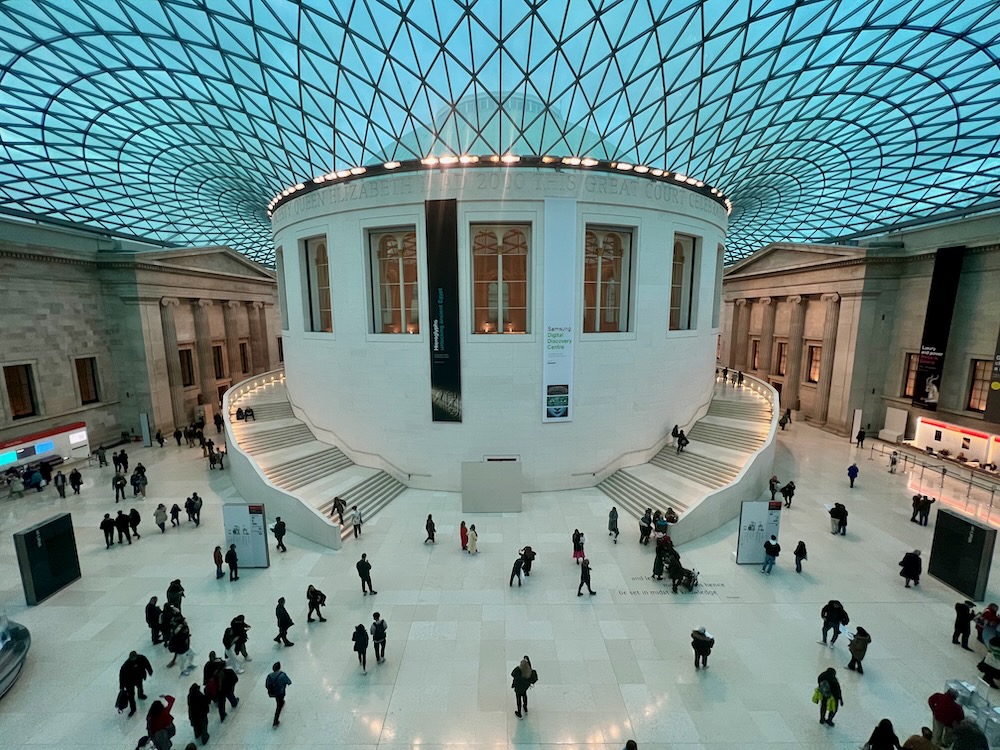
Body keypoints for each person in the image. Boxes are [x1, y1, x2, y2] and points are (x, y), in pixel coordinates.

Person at [119, 650, 154, 717]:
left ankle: (140, 695)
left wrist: (150, 670)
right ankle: (133, 709)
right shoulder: (126, 665)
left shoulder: (141, 658)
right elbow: (122, 676)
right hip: (129, 682)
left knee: (140, 686)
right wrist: (122, 686)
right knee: (131, 696)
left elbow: (147, 664)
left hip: (138, 677)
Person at [265, 662, 291, 728]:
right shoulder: (282, 675)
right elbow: (289, 682)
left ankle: (281, 703)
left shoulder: (269, 676)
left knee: (278, 701)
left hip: (274, 693)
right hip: (281, 692)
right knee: (278, 707)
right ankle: (275, 721)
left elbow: (266, 685)